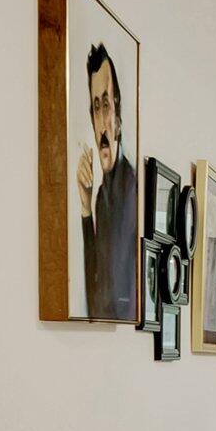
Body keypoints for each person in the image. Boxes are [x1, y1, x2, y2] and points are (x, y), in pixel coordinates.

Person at [73, 42, 137, 320]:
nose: (102, 121)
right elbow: (95, 298)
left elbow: (115, 306)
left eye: (107, 104)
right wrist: (86, 210)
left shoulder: (132, 186)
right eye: (96, 107)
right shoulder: (102, 195)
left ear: (118, 119)